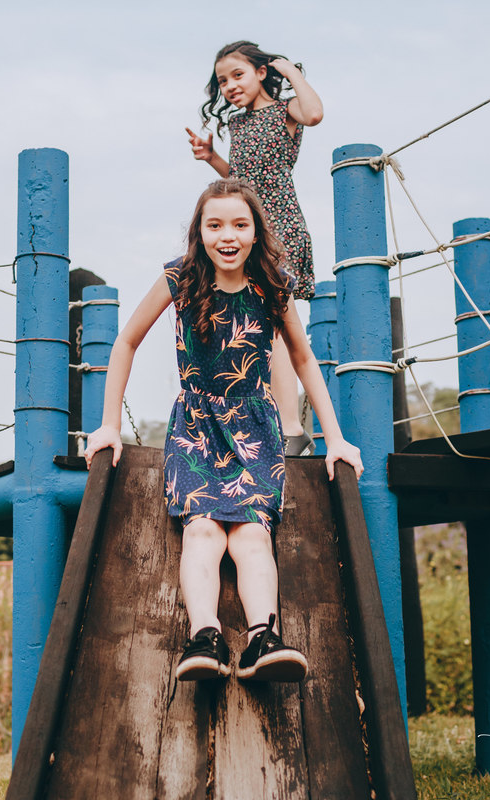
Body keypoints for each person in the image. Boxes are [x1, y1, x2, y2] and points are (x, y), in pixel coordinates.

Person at [84, 179, 363, 684]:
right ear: (200, 232)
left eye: (239, 224)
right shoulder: (179, 278)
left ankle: (262, 639)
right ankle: (204, 636)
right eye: (215, 225)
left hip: (254, 430)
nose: (227, 236)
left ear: (256, 232)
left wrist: (335, 438)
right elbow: (125, 342)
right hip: (195, 428)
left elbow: (303, 358)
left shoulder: (272, 285)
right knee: (202, 530)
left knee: (253, 535)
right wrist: (108, 425)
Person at [185, 40, 322, 456]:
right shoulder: (238, 124)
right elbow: (242, 180)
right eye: (222, 81)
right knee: (259, 327)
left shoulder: (285, 112)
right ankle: (274, 422)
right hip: (247, 232)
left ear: (262, 73)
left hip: (279, 228)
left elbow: (315, 113)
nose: (229, 86)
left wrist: (289, 69)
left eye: (238, 75)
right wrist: (212, 158)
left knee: (277, 326)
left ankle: (292, 428)